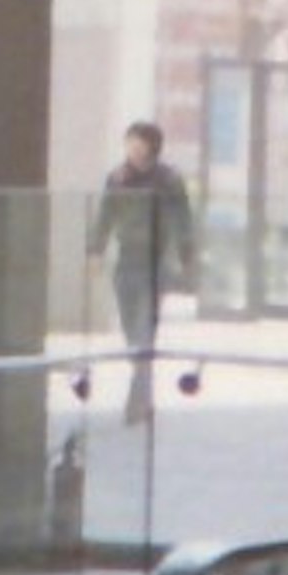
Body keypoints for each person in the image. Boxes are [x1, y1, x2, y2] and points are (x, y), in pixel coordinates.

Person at [93, 118, 199, 415]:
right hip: (126, 260)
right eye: (129, 142)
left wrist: (187, 255)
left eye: (138, 143)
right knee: (131, 331)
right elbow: (104, 215)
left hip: (155, 261)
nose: (132, 148)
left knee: (145, 331)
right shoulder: (117, 178)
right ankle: (142, 387)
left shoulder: (168, 180)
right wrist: (95, 251)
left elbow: (184, 219)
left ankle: (137, 399)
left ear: (152, 147)